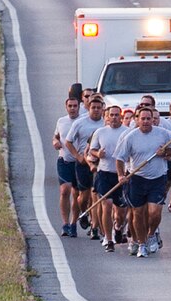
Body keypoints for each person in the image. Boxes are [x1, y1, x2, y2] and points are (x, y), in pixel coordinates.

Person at [114, 105, 171, 258]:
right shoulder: (130, 137)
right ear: (137, 120)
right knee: (138, 213)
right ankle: (141, 244)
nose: (146, 121)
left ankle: (152, 234)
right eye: (143, 119)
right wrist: (121, 175)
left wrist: (165, 152)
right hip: (137, 178)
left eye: (149, 119)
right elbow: (120, 158)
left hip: (157, 178)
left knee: (154, 213)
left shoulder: (163, 134)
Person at [86, 104, 126, 251]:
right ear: (106, 117)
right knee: (106, 205)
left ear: (120, 116)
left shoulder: (127, 132)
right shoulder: (100, 132)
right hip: (104, 173)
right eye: (111, 115)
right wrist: (98, 154)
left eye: (117, 115)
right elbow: (92, 150)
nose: (114, 118)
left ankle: (118, 226)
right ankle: (108, 239)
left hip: (121, 175)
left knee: (121, 212)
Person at [65, 94, 106, 237]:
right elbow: (68, 142)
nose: (96, 110)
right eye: (93, 107)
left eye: (98, 108)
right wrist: (78, 156)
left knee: (96, 195)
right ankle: (84, 212)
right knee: (84, 196)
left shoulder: (105, 124)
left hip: (100, 164)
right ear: (88, 108)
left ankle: (95, 227)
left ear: (102, 109)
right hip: (83, 163)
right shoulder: (80, 123)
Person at [51, 94, 85, 238]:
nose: (72, 109)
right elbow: (56, 137)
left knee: (76, 194)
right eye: (70, 106)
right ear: (66, 107)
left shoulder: (83, 121)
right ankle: (65, 223)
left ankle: (73, 223)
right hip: (64, 161)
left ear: (79, 107)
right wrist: (55, 142)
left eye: (75, 106)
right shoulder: (61, 121)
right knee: (65, 190)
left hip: (79, 163)